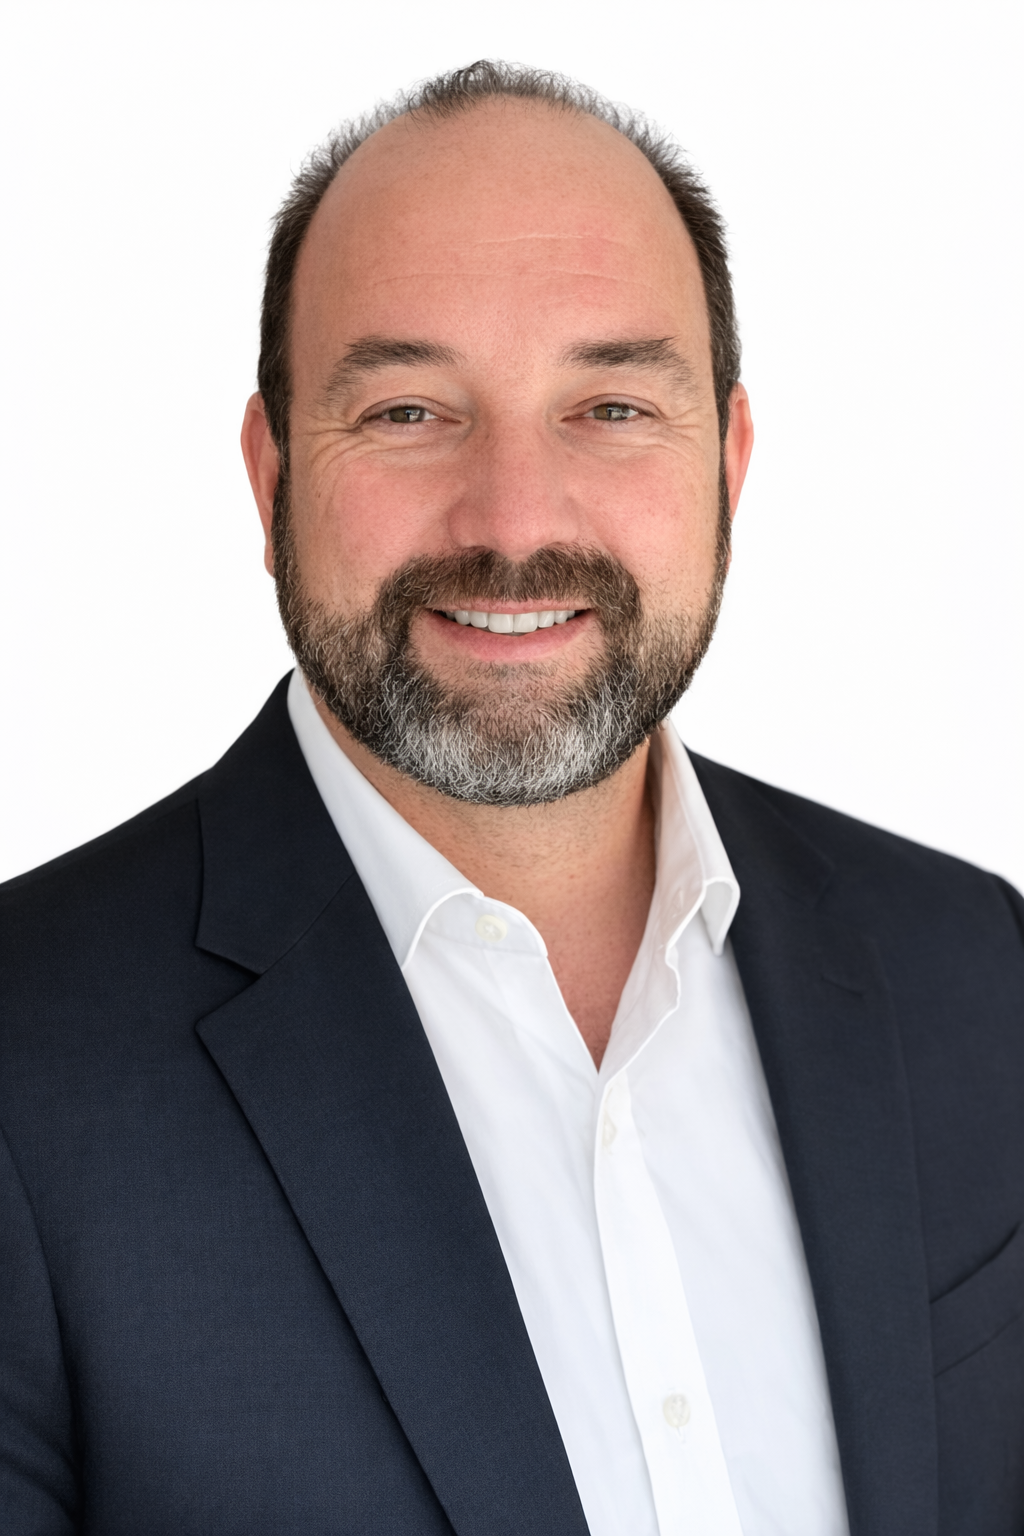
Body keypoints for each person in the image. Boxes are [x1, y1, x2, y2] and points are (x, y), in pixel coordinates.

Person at [1, 58, 1022, 1536]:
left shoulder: (972, 965)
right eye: (411, 411)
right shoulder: (28, 1070)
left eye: (611, 406)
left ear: (728, 460)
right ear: (270, 471)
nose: (516, 524)